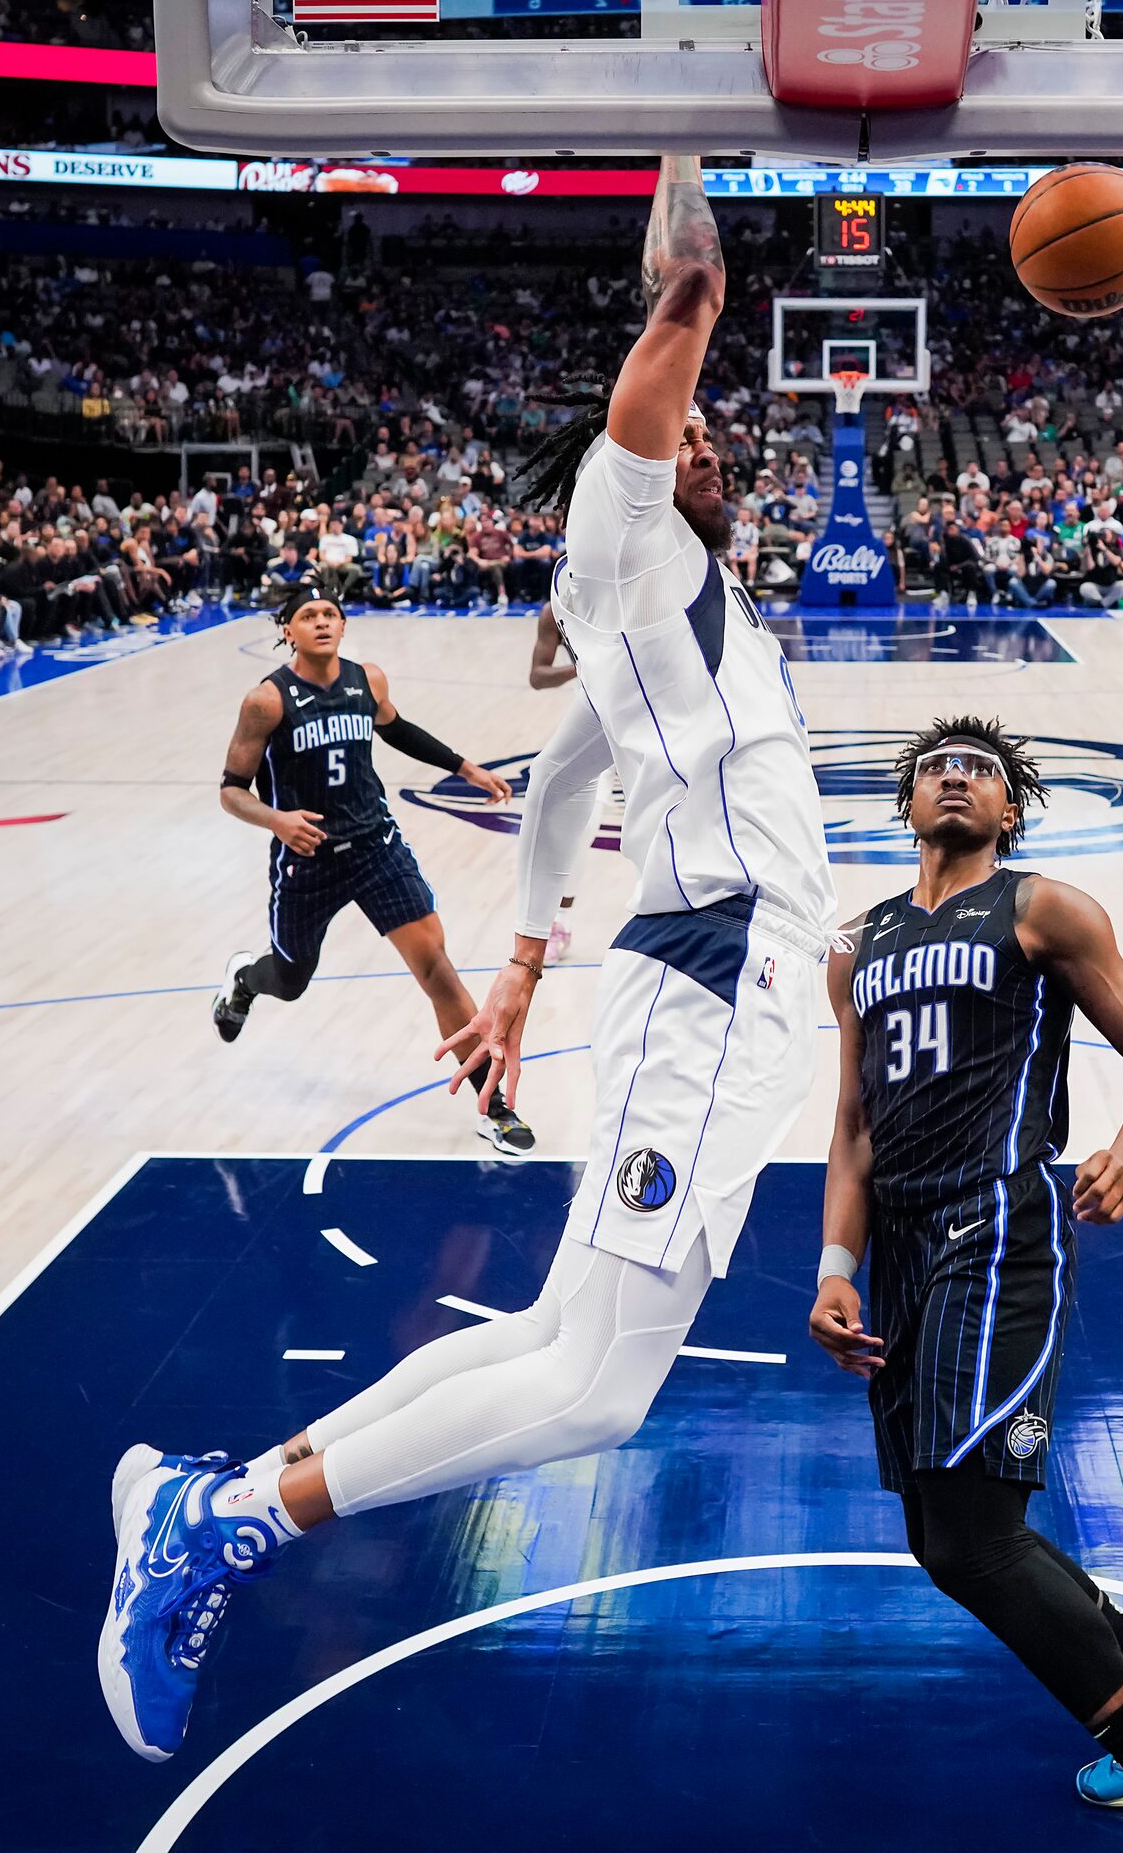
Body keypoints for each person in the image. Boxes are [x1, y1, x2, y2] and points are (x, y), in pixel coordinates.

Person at [101, 156, 835, 1763]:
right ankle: (233, 1524)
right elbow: (688, 308)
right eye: (682, 424)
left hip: (702, 981)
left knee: (554, 1343)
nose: (703, 432)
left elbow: (567, 776)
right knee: (597, 1396)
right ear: (626, 447)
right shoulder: (623, 530)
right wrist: (694, 161)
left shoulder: (679, 603)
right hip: (718, 973)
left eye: (712, 429)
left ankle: (215, 1490)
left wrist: (513, 969)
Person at [810, 718, 1123, 1852]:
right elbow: (851, 1125)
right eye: (938, 768)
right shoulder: (857, 944)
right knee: (941, 1541)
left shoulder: (1043, 910)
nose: (957, 778)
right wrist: (836, 1265)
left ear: (1011, 808)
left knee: (979, 1538)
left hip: (999, 1223)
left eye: (980, 770)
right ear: (908, 803)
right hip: (904, 1243)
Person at [204, 584, 534, 1159]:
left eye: (330, 613)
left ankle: (492, 1106)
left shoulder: (367, 679)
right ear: (288, 631)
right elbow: (232, 792)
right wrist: (278, 821)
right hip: (306, 862)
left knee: (437, 968)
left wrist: (466, 767)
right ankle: (243, 980)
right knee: (289, 980)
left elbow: (397, 728)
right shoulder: (267, 702)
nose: (322, 623)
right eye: (308, 617)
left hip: (376, 847)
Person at [527, 598, 591, 965]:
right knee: (579, 824)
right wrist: (580, 669)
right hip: (593, 713)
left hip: (647, 713)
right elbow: (537, 676)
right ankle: (556, 921)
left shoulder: (638, 588)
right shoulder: (557, 607)